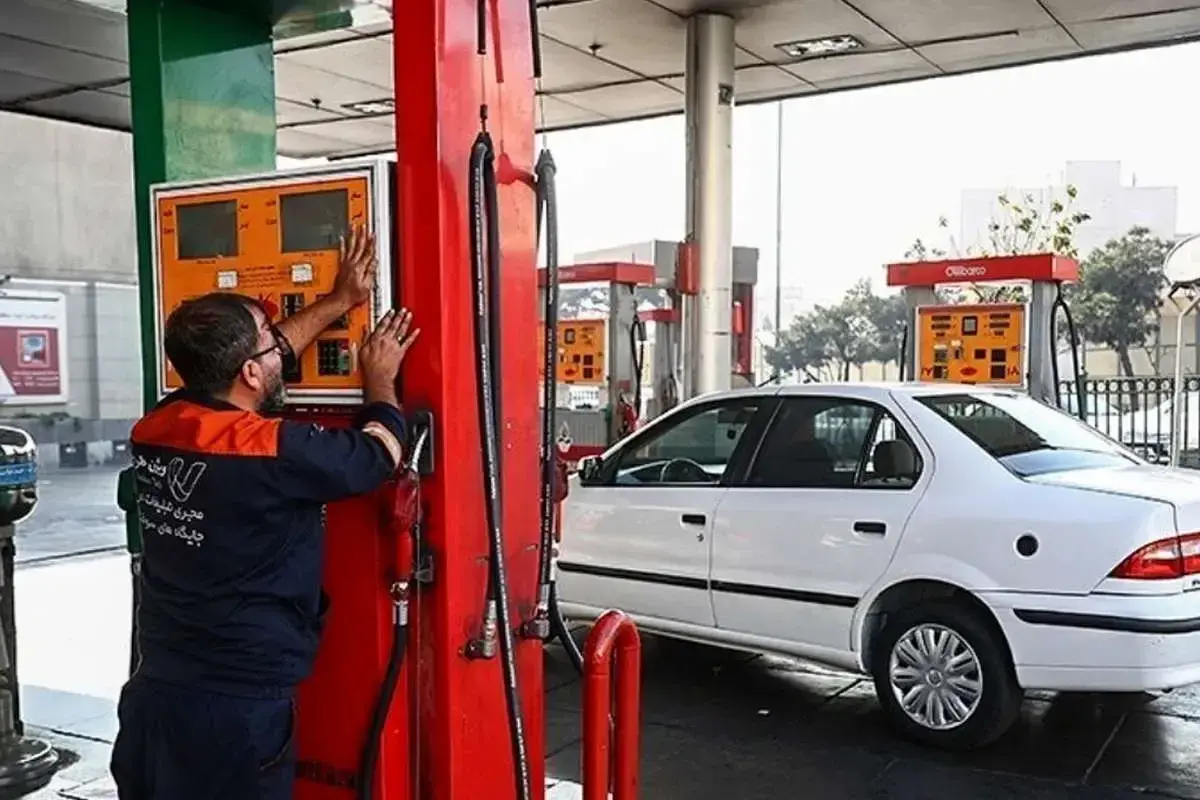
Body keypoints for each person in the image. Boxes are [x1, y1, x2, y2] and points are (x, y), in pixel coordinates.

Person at [109, 227, 419, 800]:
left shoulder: (158, 426)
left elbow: (249, 366)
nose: (280, 346)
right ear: (251, 373)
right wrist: (380, 380)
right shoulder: (274, 450)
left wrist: (338, 302)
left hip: (156, 690)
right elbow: (378, 455)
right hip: (237, 709)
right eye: (269, 342)